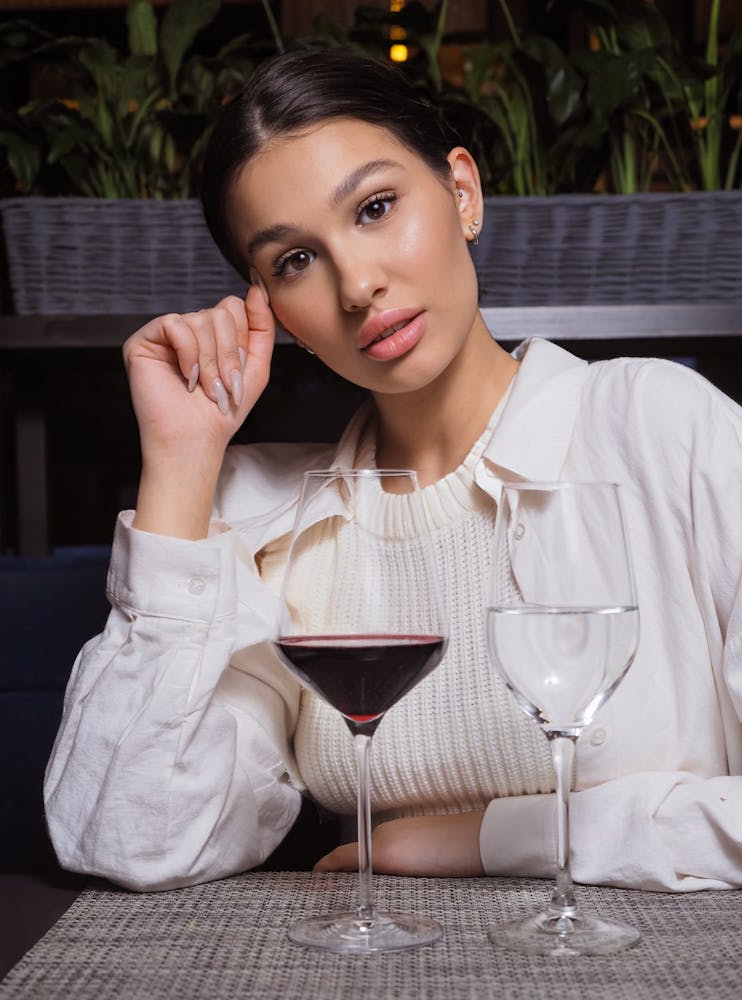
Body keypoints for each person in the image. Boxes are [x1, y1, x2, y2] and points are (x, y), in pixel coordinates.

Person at [45, 48, 742, 893]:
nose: (357, 284)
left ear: (462, 192)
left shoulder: (661, 428)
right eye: (295, 261)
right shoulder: (275, 518)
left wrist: (494, 839)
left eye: (376, 208)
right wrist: (181, 467)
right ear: (272, 310)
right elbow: (133, 837)